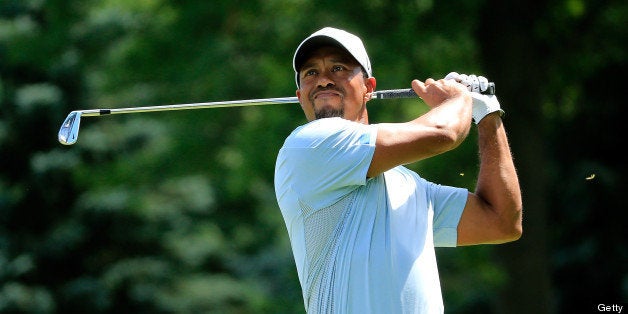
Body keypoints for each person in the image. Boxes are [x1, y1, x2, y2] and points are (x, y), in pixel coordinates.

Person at [274, 27, 522, 313]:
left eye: (338, 68)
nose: (324, 80)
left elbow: (501, 221)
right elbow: (444, 133)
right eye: (311, 73)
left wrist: (488, 117)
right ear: (300, 94)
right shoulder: (309, 145)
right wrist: (460, 99)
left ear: (369, 88)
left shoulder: (411, 186)